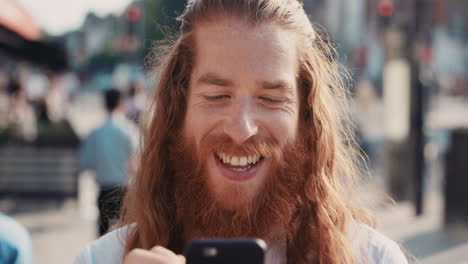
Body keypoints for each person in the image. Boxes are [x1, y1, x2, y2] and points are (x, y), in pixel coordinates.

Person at [76, 0, 408, 263]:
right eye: (217, 96)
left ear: (307, 121)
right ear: (177, 113)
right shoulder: (103, 259)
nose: (241, 129)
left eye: (271, 99)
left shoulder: (372, 258)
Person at [79, 89, 139, 237]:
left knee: (103, 239)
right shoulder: (129, 129)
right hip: (125, 189)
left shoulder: (96, 133)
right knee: (126, 238)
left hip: (104, 189)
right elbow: (136, 163)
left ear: (104, 104)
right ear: (121, 104)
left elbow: (86, 164)